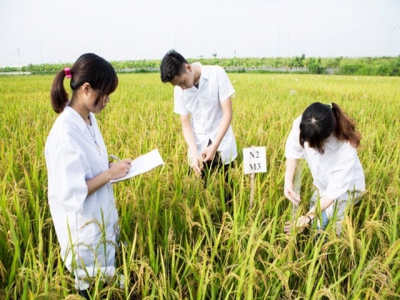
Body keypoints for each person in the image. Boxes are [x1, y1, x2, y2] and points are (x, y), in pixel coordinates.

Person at [45, 53, 132, 298]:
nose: (107, 100)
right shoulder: (64, 134)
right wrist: (109, 174)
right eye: (104, 94)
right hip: (84, 235)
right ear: (85, 88)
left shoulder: (88, 118)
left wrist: (115, 168)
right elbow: (72, 193)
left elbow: (91, 164)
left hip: (100, 222)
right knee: (92, 290)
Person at [160, 50, 237, 204]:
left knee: (227, 197)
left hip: (222, 144)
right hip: (199, 149)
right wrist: (194, 155)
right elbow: (186, 125)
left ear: (188, 68)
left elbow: (227, 114)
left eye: (182, 82)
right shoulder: (179, 91)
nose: (182, 88)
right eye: (177, 85)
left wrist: (214, 146)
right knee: (200, 199)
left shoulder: (217, 74)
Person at [283, 102, 365, 235]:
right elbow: (293, 151)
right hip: (321, 185)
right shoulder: (304, 123)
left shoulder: (346, 148)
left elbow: (332, 194)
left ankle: (325, 253)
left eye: (313, 144)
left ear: (326, 137)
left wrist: (307, 217)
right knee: (312, 222)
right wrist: (287, 181)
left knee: (323, 231)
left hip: (345, 190)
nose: (308, 146)